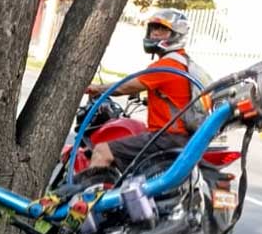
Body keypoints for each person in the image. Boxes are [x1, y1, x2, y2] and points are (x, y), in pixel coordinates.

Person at [85, 9, 211, 171]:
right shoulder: (184, 63)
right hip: (183, 138)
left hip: (166, 138)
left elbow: (125, 86)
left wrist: (97, 89)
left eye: (162, 30)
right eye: (153, 28)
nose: (155, 33)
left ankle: (91, 196)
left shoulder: (168, 65)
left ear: (176, 35)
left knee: (102, 150)